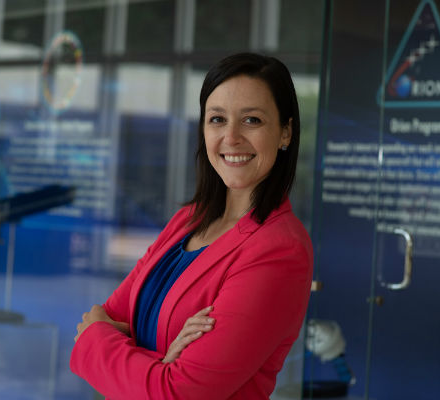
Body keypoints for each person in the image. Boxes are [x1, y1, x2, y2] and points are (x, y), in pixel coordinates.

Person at [71, 52, 313, 400]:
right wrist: (162, 363)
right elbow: (103, 317)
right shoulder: (188, 219)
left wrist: (104, 344)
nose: (230, 137)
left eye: (252, 120)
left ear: (285, 132)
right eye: (217, 119)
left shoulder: (279, 250)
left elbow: (179, 393)